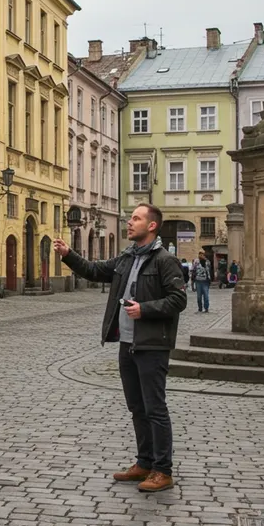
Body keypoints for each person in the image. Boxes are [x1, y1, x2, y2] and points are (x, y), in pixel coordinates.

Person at [54, 203, 186, 493]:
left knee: (155, 408)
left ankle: (163, 471)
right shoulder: (127, 258)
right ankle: (144, 463)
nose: (129, 222)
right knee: (136, 407)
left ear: (152, 226)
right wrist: (68, 255)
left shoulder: (165, 260)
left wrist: (146, 309)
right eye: (130, 218)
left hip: (152, 345)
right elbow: (94, 270)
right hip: (127, 344)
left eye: (136, 219)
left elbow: (178, 300)